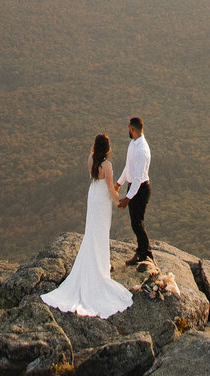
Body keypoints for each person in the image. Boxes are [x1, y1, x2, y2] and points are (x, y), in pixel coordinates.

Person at [41, 133, 135, 318]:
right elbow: (110, 189)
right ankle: (100, 268)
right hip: (102, 199)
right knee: (100, 233)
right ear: (108, 148)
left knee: (92, 231)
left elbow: (96, 180)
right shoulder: (107, 166)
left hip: (93, 195)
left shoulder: (91, 158)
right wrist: (119, 202)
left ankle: (94, 264)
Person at [116, 116, 152, 267]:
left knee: (137, 223)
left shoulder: (141, 150)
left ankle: (145, 254)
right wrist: (119, 183)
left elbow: (138, 178)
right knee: (135, 222)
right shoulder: (133, 144)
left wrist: (128, 198)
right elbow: (128, 166)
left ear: (132, 129)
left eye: (128, 129)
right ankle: (143, 252)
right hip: (134, 187)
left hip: (141, 189)